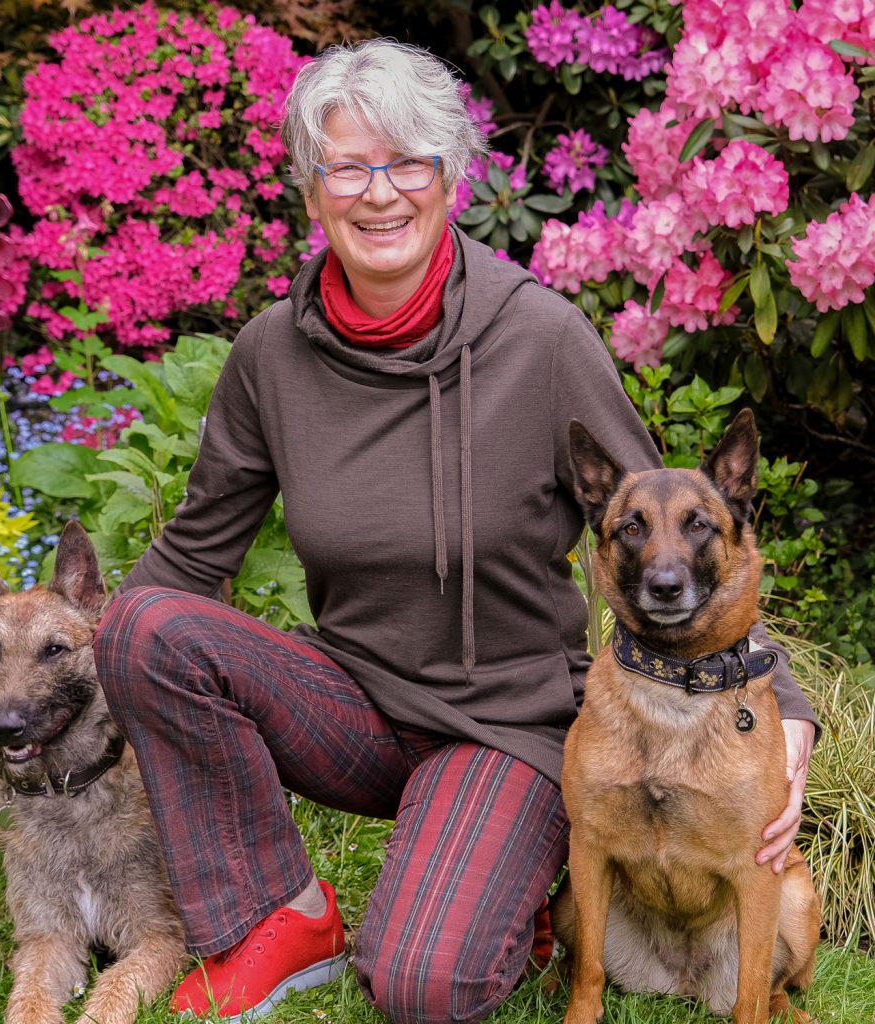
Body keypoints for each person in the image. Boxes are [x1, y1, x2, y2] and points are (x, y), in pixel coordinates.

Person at [93, 39, 819, 1024]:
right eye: (346, 167)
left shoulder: (544, 340)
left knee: (424, 987)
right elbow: (189, 559)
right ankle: (279, 917)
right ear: (312, 193)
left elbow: (675, 529)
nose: (378, 193)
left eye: (408, 163)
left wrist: (779, 700)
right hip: (346, 700)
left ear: (450, 180)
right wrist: (76, 658)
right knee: (141, 626)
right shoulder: (268, 354)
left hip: (508, 723)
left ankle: (499, 890)